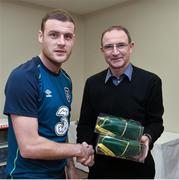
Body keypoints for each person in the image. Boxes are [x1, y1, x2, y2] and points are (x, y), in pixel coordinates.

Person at [3, 9, 94, 179]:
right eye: (54, 35)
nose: (61, 42)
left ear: (73, 40)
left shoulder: (66, 79)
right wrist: (79, 150)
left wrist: (71, 168)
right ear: (41, 37)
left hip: (58, 174)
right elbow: (29, 146)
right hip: (27, 176)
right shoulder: (24, 77)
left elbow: (61, 131)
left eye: (67, 37)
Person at [77, 25, 164, 179]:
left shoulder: (151, 81)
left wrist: (147, 138)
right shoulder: (92, 83)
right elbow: (85, 123)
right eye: (109, 47)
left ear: (131, 47)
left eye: (121, 45)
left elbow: (156, 122)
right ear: (102, 50)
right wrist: (84, 145)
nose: (115, 52)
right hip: (101, 169)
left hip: (138, 168)